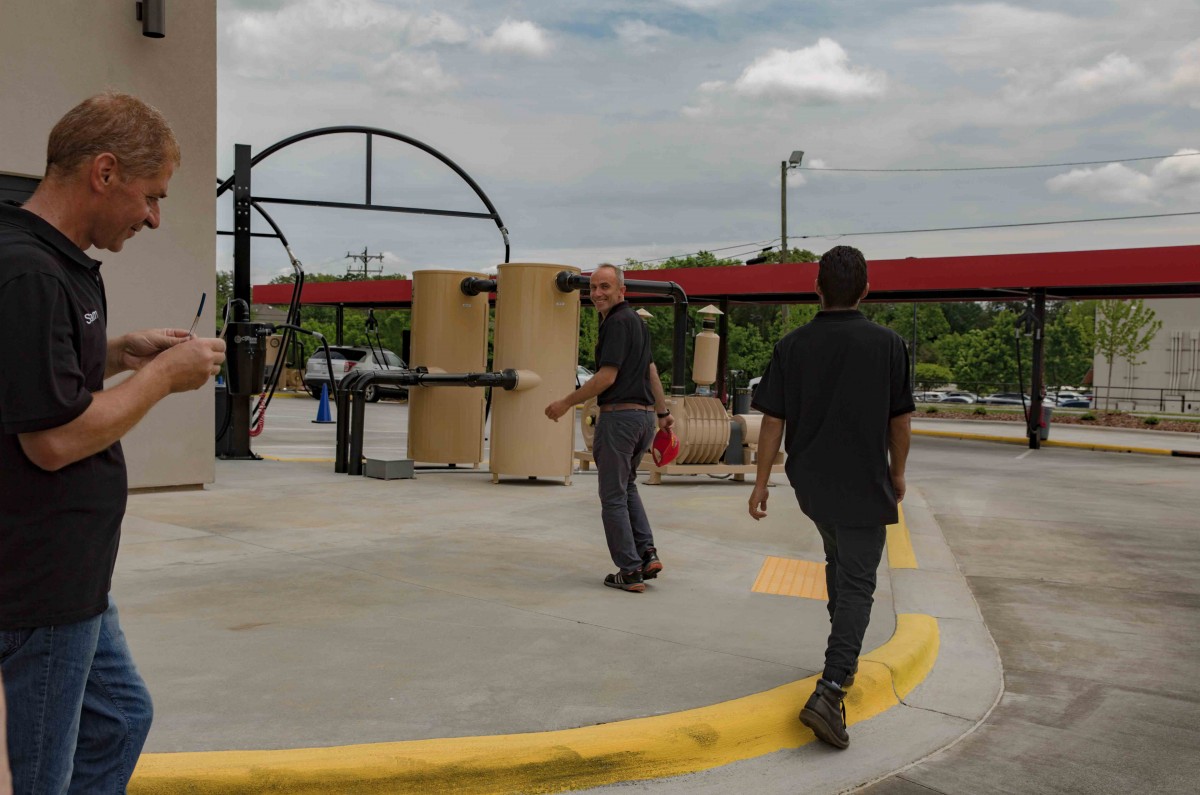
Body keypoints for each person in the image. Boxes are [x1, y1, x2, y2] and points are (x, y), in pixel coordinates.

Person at [0, 91, 226, 792]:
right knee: (41, 774)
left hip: (73, 578)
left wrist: (125, 350)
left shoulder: (48, 262)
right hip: (39, 586)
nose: (154, 218)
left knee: (121, 717)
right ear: (104, 171)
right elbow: (53, 439)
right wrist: (161, 377)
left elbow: (35, 379)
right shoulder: (30, 272)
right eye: (151, 196)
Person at [748, 245, 914, 749]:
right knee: (858, 584)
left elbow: (772, 421)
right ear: (866, 290)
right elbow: (899, 420)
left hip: (812, 483)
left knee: (839, 565)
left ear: (817, 289)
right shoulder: (889, 345)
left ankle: (836, 661)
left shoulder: (792, 345)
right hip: (864, 481)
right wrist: (898, 473)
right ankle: (832, 687)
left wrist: (760, 483)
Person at [545, 263, 673, 593]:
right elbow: (652, 372)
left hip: (620, 419)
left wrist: (565, 403)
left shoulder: (616, 322)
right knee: (627, 486)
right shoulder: (638, 324)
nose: (598, 293)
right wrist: (662, 413)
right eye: (593, 288)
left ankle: (630, 570)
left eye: (605, 287)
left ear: (621, 291)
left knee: (612, 497)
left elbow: (606, 377)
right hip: (644, 419)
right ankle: (647, 553)